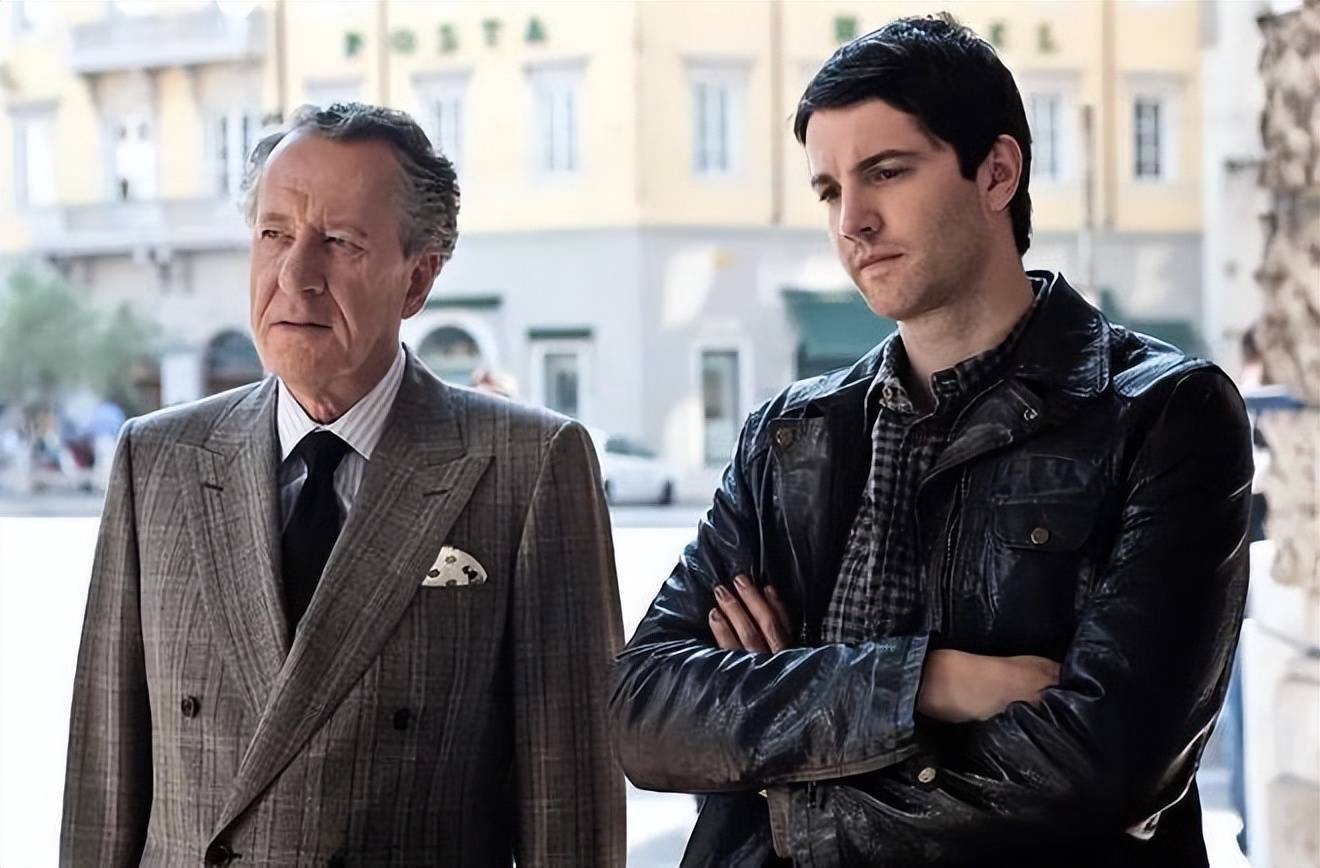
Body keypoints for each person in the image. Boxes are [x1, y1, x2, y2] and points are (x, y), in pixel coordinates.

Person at [610, 15, 1252, 867]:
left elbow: (1103, 770)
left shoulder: (1164, 412)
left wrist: (781, 771)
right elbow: (644, 711)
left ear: (997, 172)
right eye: (830, 190)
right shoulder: (788, 436)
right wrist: (931, 682)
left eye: (886, 172)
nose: (853, 221)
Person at [61, 103, 625, 867]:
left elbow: (570, 807)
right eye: (274, 234)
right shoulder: (157, 460)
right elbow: (102, 792)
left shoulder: (527, 465)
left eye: (340, 242)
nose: (296, 276)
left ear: (418, 278)